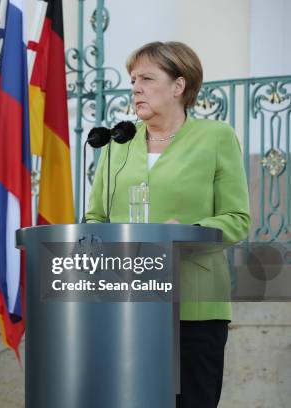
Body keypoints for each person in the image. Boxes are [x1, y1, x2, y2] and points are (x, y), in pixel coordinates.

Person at [85, 42, 250, 407]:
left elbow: (237, 219)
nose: (135, 88)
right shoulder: (118, 145)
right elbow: (95, 218)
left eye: (146, 78)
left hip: (193, 304)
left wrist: (186, 233)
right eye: (132, 80)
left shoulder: (215, 137)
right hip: (126, 303)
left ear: (179, 86)